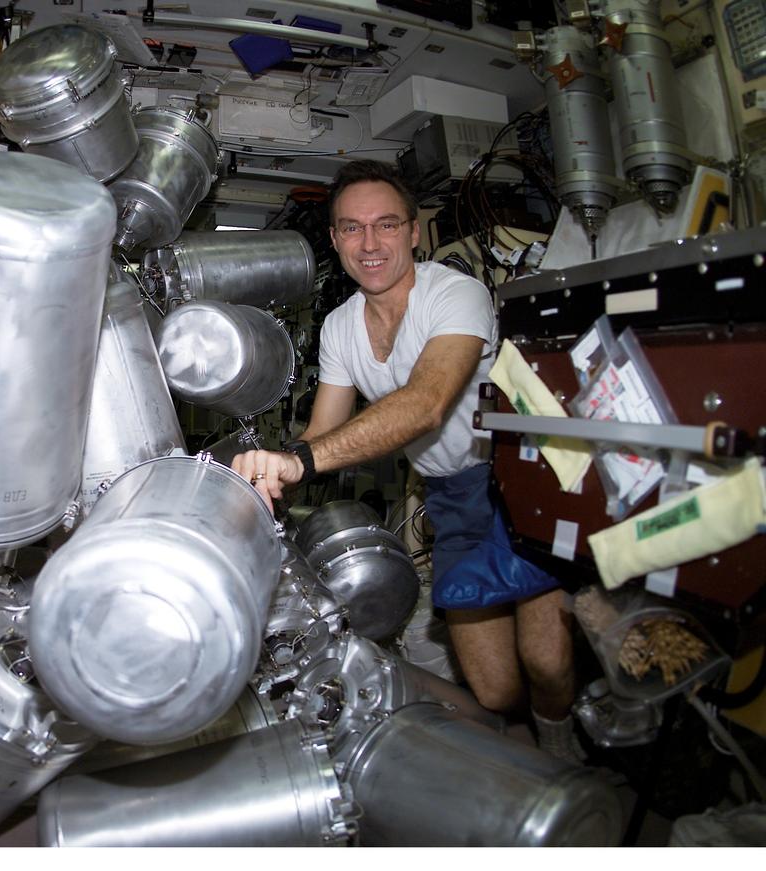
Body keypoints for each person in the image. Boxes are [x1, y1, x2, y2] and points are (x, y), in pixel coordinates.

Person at [232, 159, 581, 762]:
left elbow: (425, 405)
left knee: (545, 659)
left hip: (522, 479)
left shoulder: (455, 295)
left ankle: (563, 740)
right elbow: (323, 434)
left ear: (413, 231)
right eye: (351, 228)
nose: (369, 244)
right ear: (335, 238)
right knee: (495, 688)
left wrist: (301, 461)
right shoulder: (341, 328)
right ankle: (526, 739)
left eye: (386, 225)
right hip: (451, 494)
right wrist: (262, 473)